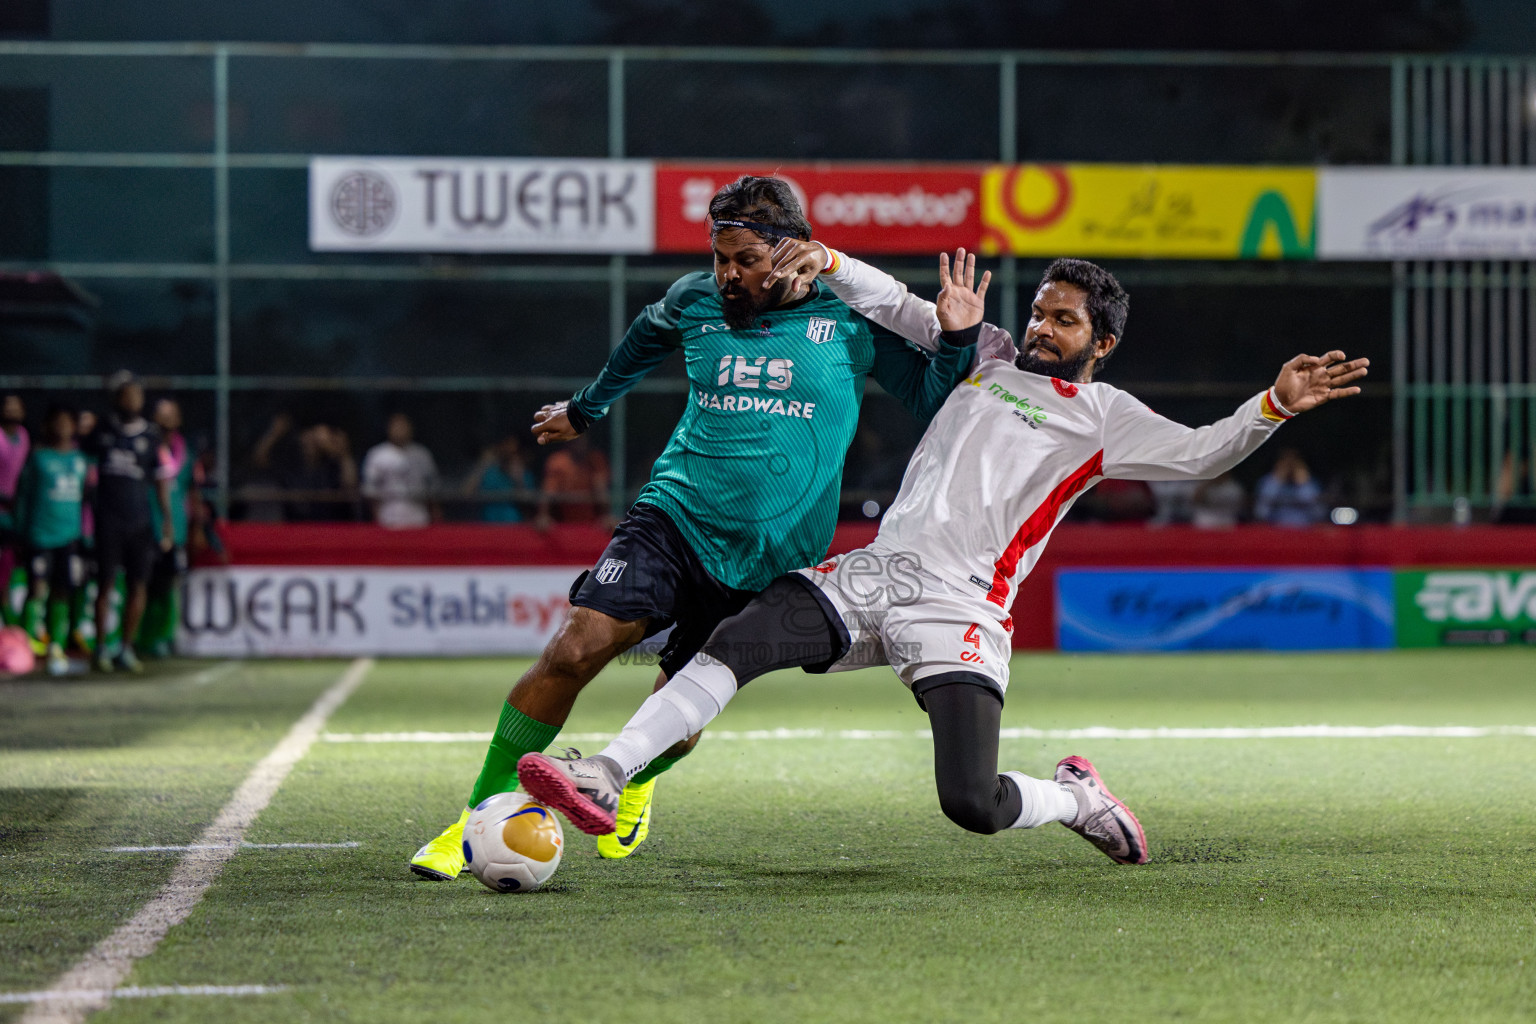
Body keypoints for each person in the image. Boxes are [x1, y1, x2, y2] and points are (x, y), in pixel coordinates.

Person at [518, 246, 1368, 866]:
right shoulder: (986, 354)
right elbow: (896, 306)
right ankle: (604, 772)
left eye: (1063, 320)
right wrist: (834, 261)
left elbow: (1202, 453)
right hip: (881, 570)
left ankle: (1076, 797)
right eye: (1039, 309)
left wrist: (1273, 407)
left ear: (1099, 343)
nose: (1040, 326)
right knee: (736, 641)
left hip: (962, 609)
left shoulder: (1104, 415)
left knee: (971, 802)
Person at [408, 175, 976, 880]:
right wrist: (586, 410)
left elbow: (930, 395)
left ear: (791, 251)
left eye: (744, 259)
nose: (728, 274)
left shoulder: (850, 322)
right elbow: (640, 345)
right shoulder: (694, 301)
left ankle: (636, 777)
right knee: (574, 648)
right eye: (720, 258)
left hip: (773, 554)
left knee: (679, 713)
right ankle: (473, 818)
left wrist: (957, 337)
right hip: (674, 515)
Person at [81, 372, 175, 674]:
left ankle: (126, 646)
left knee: (138, 584)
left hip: (140, 522)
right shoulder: (102, 430)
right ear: (117, 399)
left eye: (136, 396)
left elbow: (161, 481)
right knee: (105, 583)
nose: (131, 401)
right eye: (126, 395)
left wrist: (166, 521)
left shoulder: (150, 436)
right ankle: (100, 648)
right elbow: (83, 469)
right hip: (108, 520)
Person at [12, 404, 88, 676]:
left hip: (68, 537)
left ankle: (56, 645)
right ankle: (25, 644)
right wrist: (21, 531)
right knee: (37, 588)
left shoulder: (80, 460)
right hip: (40, 535)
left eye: (68, 422)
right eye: (57, 422)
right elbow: (23, 496)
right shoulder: (38, 459)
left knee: (63, 590)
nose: (63, 428)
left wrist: (84, 534)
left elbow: (85, 500)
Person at [139, 398, 202, 658]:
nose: (165, 419)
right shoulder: (145, 447)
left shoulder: (184, 451)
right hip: (146, 524)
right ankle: (142, 637)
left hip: (175, 528)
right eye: (160, 413)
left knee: (169, 584)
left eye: (171, 414)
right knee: (142, 583)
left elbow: (192, 490)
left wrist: (195, 526)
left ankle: (164, 638)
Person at [361, 413, 438, 528]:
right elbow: (370, 490)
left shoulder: (422, 454)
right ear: (389, 429)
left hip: (419, 518)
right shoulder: (377, 454)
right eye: (396, 426)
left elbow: (433, 488)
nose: (400, 430)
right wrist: (376, 519)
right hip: (388, 518)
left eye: (403, 426)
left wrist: (436, 516)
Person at [0, 394, 30, 627]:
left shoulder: (23, 437)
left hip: (13, 516)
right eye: (7, 406)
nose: (12, 411)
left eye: (16, 407)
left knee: (8, 569)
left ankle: (12, 629)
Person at [464, 436, 537, 523]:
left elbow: (529, 505)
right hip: (487, 525)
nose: (509, 452)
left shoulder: (525, 475)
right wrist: (483, 465)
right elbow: (466, 493)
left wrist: (518, 479)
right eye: (506, 447)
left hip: (514, 526)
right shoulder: (489, 473)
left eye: (513, 451)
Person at [1254, 448, 1325, 526]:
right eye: (1285, 461)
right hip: (1274, 531)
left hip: (1305, 531)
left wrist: (1303, 484)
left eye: (1294, 462)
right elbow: (1260, 512)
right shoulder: (1268, 482)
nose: (1289, 466)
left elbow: (1319, 513)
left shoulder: (1310, 483)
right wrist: (1276, 481)